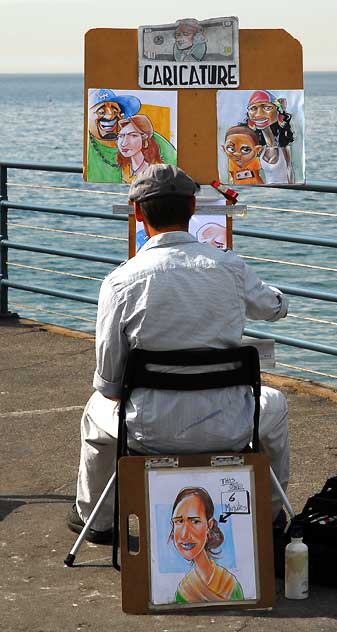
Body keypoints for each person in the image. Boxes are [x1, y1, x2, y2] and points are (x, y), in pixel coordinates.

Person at [67, 164, 289, 544]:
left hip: (147, 431)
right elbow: (274, 308)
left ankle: (97, 520)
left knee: (95, 412)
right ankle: (269, 516)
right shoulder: (230, 267)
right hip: (229, 426)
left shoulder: (120, 281)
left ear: (138, 211)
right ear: (192, 207)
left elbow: (109, 382)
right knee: (276, 404)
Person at [86, 88, 177, 183]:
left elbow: (176, 168)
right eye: (101, 112)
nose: (110, 116)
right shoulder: (89, 145)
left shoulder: (154, 139)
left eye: (115, 111)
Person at [170, 487, 244, 603]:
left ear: (209, 525)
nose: (184, 535)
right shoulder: (184, 591)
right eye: (179, 521)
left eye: (195, 521)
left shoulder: (229, 584)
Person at [242, 90, 295, 184]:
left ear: (278, 112)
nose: (258, 114)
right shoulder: (259, 149)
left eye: (267, 107)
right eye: (253, 108)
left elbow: (290, 169)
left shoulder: (284, 148)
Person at [116, 115, 162, 183]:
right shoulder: (126, 168)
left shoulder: (155, 171)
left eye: (133, 135)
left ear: (145, 140)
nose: (124, 143)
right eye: (121, 136)